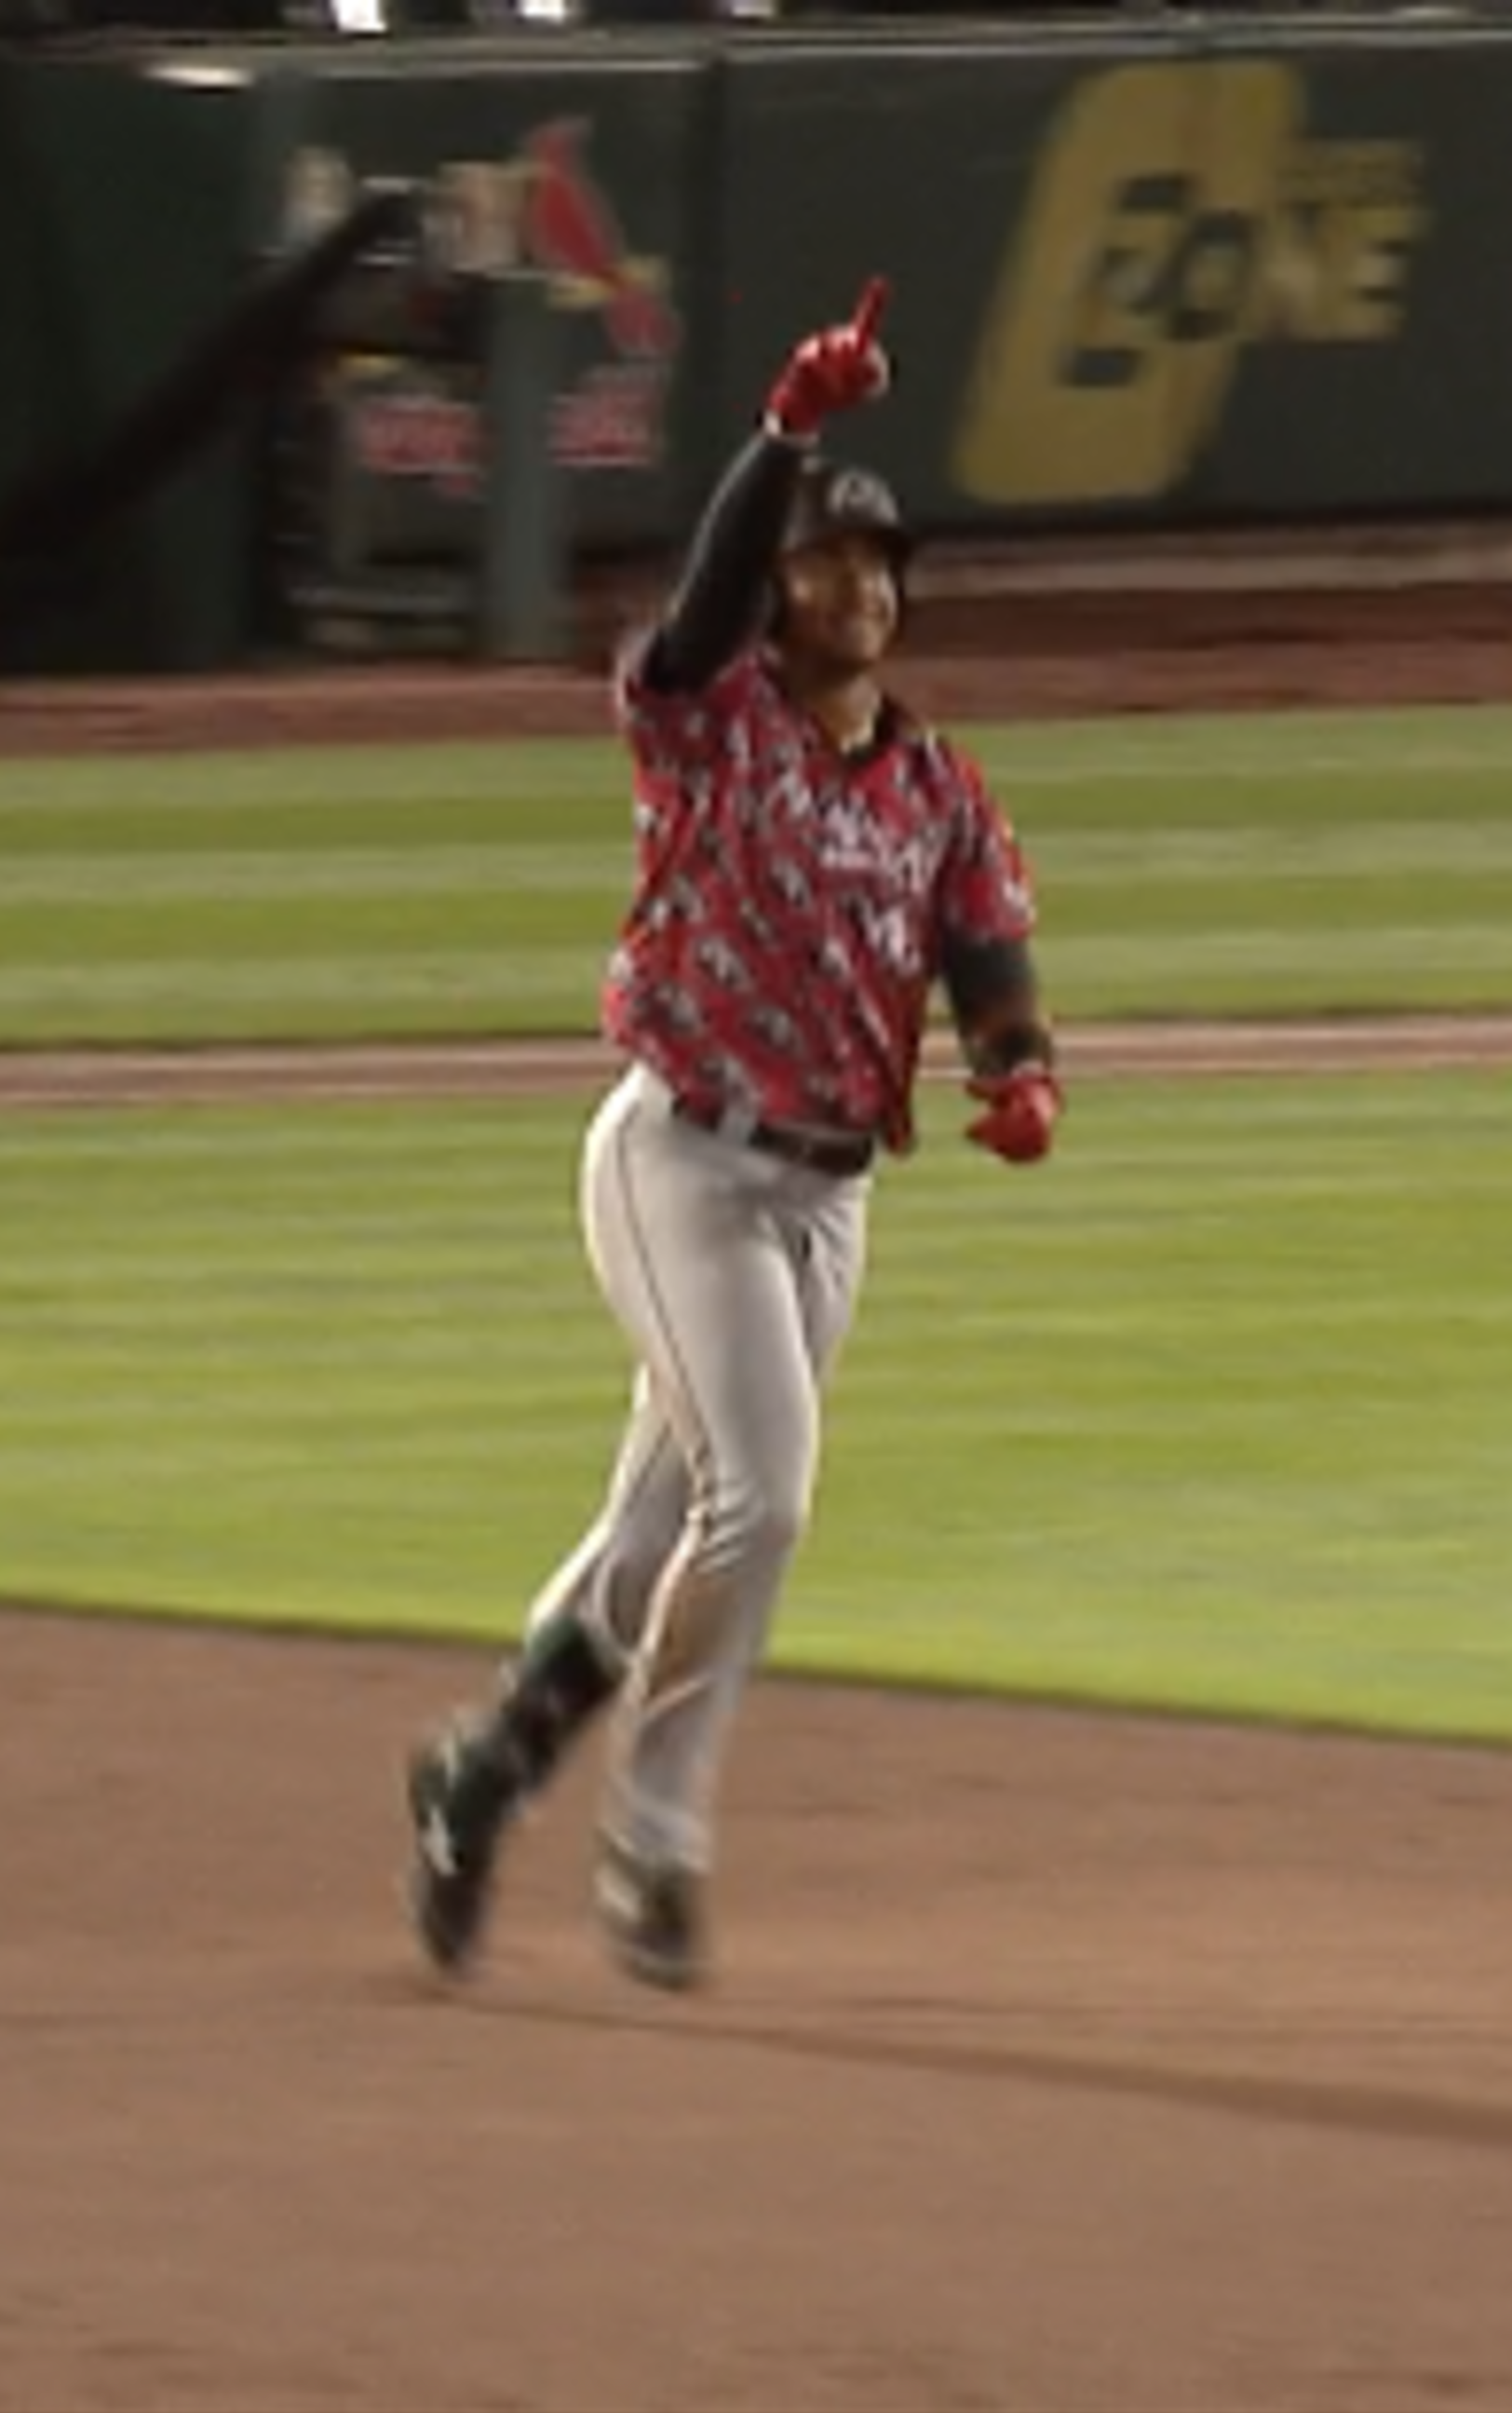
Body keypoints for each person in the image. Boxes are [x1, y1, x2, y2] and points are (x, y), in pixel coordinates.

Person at [398, 277, 1065, 1992]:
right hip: (677, 1158)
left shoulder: (939, 788)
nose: (852, 585)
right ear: (776, 595)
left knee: (653, 1538)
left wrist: (1016, 1064)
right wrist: (785, 432)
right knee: (757, 1504)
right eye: (819, 562)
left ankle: (479, 1772)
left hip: (828, 1196)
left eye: (873, 564)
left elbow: (985, 948)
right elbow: (690, 613)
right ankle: (652, 1845)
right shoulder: (710, 726)